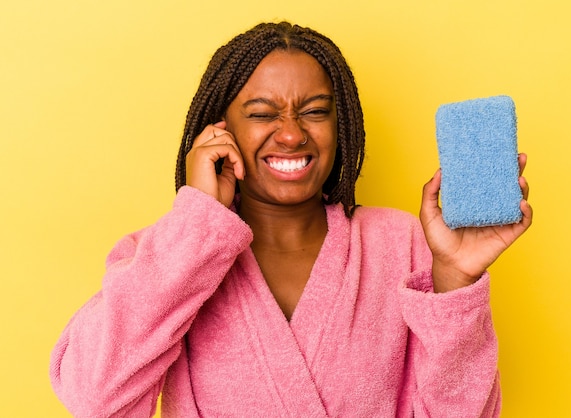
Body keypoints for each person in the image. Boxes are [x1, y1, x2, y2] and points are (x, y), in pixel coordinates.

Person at [50, 21, 532, 417]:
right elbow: (92, 399)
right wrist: (197, 225)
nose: (291, 134)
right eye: (262, 114)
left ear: (341, 127)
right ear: (221, 130)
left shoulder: (400, 241)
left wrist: (454, 278)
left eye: (316, 111)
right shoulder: (165, 253)